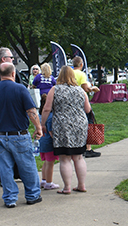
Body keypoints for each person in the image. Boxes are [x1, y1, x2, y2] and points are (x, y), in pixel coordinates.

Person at [0, 62, 43, 208]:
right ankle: (32, 195)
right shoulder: (20, 89)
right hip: (19, 134)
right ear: (13, 73)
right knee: (27, 166)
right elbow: (31, 111)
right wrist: (38, 128)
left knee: (5, 168)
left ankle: (9, 198)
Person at [42, 66, 92, 194]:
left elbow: (47, 108)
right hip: (80, 125)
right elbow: (87, 110)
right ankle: (81, 185)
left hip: (62, 125)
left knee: (65, 158)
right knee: (79, 157)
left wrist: (43, 124)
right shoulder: (81, 91)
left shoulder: (55, 89)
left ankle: (67, 187)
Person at [71, 56, 101, 158]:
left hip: (70, 102)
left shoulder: (69, 73)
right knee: (89, 123)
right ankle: (88, 148)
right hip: (81, 101)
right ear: (81, 64)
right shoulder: (81, 74)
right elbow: (85, 88)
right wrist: (93, 89)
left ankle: (76, 146)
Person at [37, 113, 60, 191]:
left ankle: (44, 180)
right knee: (50, 163)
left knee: (46, 162)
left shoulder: (41, 115)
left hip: (42, 141)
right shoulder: (50, 117)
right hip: (49, 142)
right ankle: (49, 183)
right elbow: (51, 131)